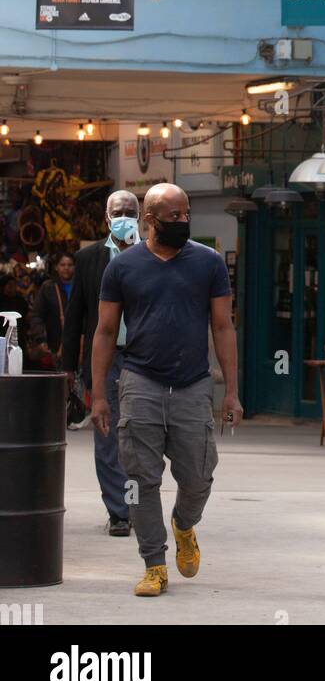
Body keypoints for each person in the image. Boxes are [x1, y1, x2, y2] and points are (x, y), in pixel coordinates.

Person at [90, 182, 242, 597]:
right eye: (173, 217)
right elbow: (104, 332)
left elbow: (223, 326)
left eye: (186, 214)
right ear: (150, 220)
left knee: (198, 474)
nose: (183, 222)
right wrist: (100, 395)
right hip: (139, 381)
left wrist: (230, 391)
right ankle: (154, 563)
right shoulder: (123, 267)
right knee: (140, 478)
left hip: (192, 384)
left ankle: (184, 524)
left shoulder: (208, 263)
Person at [61, 190, 141, 536]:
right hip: (103, 356)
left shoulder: (152, 255)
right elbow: (76, 312)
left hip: (143, 356)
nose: (123, 217)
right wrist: (68, 364)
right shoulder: (89, 258)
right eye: (117, 212)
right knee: (107, 432)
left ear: (141, 217)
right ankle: (119, 512)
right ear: (106, 219)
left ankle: (139, 505)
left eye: (129, 211)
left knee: (140, 433)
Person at [29, 251, 75, 365]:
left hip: (78, 344)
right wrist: (40, 339)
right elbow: (37, 315)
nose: (66, 268)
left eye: (70, 265)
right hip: (54, 344)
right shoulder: (48, 287)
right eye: (63, 265)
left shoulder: (81, 286)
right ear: (56, 267)